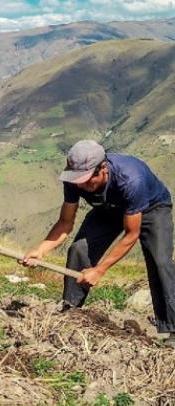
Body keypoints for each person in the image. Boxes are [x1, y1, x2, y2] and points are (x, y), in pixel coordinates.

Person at [23, 140, 175, 347]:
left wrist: (100, 270)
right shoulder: (74, 180)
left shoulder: (131, 180)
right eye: (77, 180)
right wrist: (41, 250)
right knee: (79, 249)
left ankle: (173, 329)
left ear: (103, 169)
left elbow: (131, 234)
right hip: (109, 209)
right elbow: (66, 222)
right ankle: (70, 311)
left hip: (151, 208)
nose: (81, 186)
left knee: (160, 262)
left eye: (86, 181)